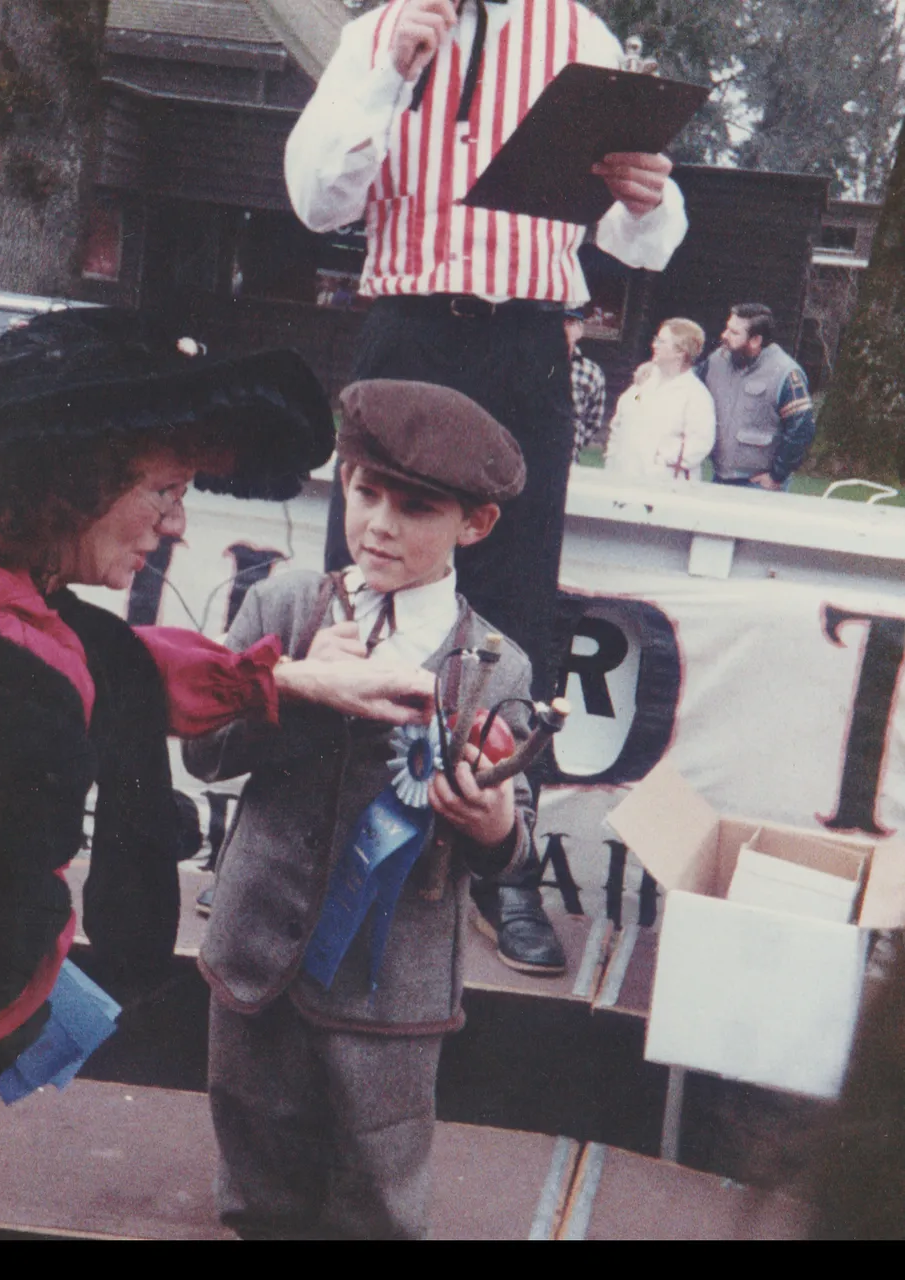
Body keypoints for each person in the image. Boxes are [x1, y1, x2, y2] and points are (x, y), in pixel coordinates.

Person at [0, 309, 435, 1238]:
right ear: (69, 480)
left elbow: (112, 658)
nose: (176, 523)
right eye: (164, 489)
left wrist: (293, 677)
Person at [284, 0, 689, 975]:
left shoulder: (581, 36)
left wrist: (647, 197)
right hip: (408, 323)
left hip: (526, 342)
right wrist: (387, 70)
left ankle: (498, 867)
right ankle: (313, 842)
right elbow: (315, 200)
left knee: (510, 608)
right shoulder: (378, 31)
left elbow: (651, 244)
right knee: (366, 582)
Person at [183, 379, 540, 1240]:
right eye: (364, 491)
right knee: (255, 1166)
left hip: (392, 990)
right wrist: (293, 689)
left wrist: (489, 825)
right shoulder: (284, 607)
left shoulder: (496, 665)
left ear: (474, 524)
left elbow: (513, 841)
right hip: (256, 949)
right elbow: (202, 749)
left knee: (379, 1183)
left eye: (415, 507)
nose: (379, 522)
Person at [699, 303, 816, 489]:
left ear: (755, 340)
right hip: (719, 477)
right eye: (727, 329)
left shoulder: (785, 373)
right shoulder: (716, 361)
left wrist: (777, 475)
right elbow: (689, 386)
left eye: (734, 333)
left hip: (757, 486)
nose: (724, 336)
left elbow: (802, 427)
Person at [603, 318, 715, 481]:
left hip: (665, 487)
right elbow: (620, 420)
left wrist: (659, 458)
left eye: (661, 342)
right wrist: (612, 458)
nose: (654, 345)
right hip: (622, 480)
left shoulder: (696, 396)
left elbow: (698, 445)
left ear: (680, 352)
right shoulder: (641, 385)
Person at [564, 306, 606, 461]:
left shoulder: (591, 372)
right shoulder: (534, 365)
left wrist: (576, 441)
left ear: (580, 330)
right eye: (558, 322)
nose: (563, 328)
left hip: (568, 457)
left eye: (570, 323)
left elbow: (593, 421)